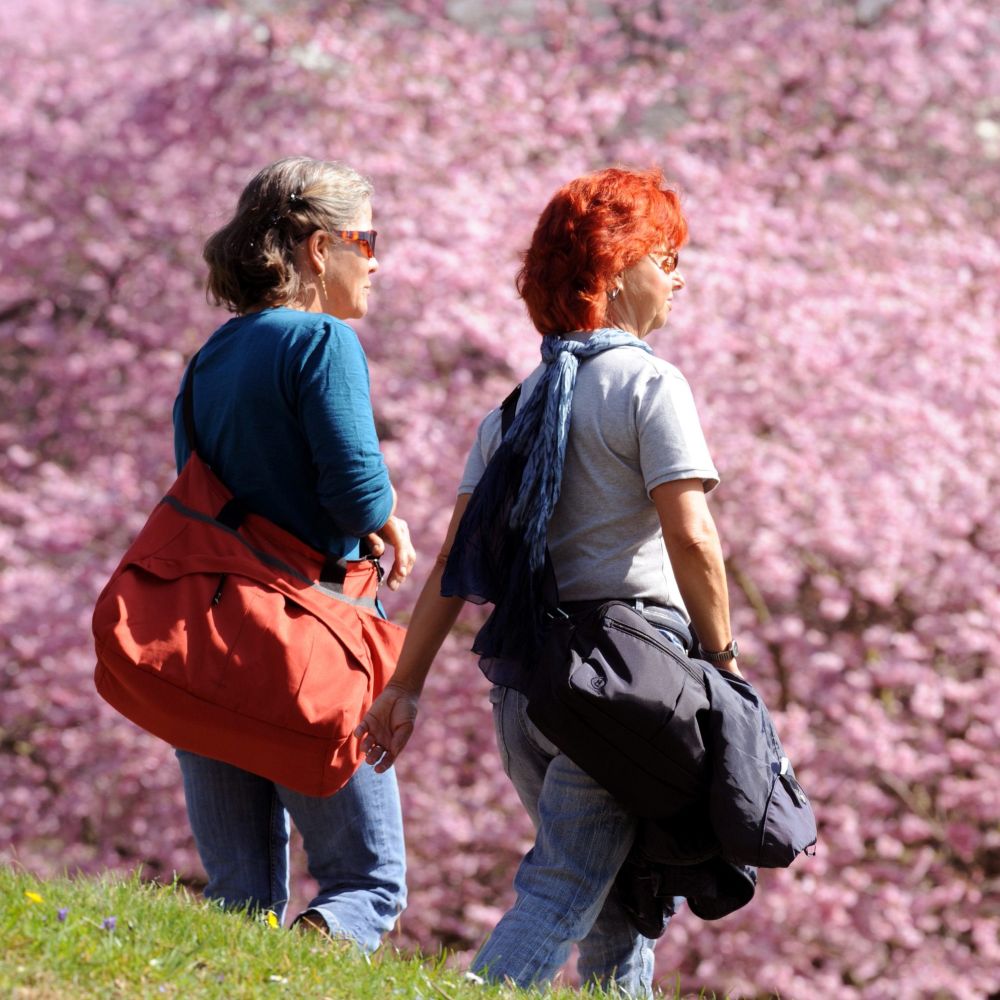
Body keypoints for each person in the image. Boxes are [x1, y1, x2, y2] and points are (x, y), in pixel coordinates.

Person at [356, 166, 743, 995]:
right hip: (623, 684)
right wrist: (725, 659)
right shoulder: (649, 382)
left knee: (614, 896)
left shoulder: (515, 406)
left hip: (524, 687)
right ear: (612, 268)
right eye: (665, 255)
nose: (680, 275)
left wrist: (407, 687)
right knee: (566, 884)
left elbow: (459, 561)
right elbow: (692, 536)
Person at [172, 156, 415, 950]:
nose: (376, 260)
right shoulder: (321, 340)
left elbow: (194, 493)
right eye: (366, 239)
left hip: (212, 640)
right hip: (310, 637)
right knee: (365, 883)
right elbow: (352, 490)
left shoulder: (211, 355)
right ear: (317, 248)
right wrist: (388, 520)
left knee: (239, 894)